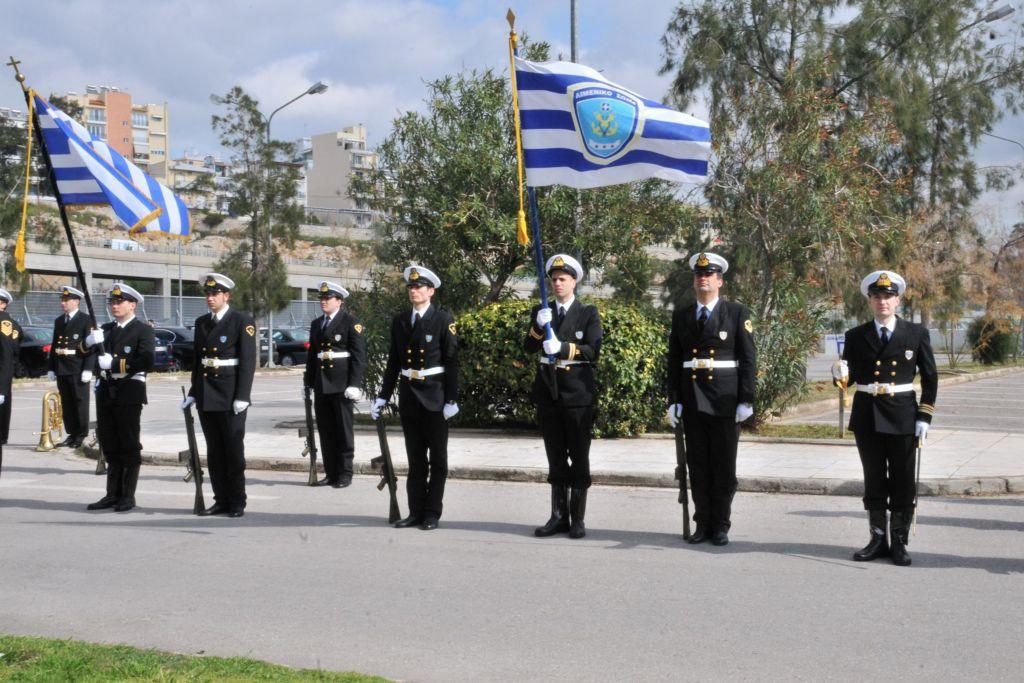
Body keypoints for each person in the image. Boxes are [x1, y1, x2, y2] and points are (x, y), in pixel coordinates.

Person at [835, 270, 937, 567]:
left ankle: (900, 542)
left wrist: (925, 415)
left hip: (903, 414)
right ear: (870, 300)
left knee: (903, 480)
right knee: (874, 478)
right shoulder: (856, 335)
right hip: (868, 414)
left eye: (888, 296)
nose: (883, 301)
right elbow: (849, 378)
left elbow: (931, 378)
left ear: (897, 300)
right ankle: (878, 538)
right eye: (877, 296)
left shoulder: (915, 333)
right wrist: (840, 377)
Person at [667, 252, 756, 546]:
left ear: (720, 281)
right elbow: (674, 360)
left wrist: (746, 399)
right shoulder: (682, 315)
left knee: (723, 466)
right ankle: (702, 523)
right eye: (698, 275)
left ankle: (721, 524)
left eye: (709, 275)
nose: (702, 279)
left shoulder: (736, 313)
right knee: (698, 466)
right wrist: (673, 399)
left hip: (724, 400)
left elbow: (748, 359)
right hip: (692, 400)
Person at [372, 265, 458, 530]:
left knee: (438, 461)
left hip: (434, 396)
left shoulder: (443, 320)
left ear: (431, 291)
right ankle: (415, 511)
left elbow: (452, 362)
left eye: (419, 286)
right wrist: (383, 396)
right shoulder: (400, 321)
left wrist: (451, 400)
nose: (414, 291)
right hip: (410, 396)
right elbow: (394, 362)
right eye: (410, 287)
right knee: (416, 459)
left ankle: (432, 513)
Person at [524, 254, 602, 539]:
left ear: (574, 282)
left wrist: (564, 347)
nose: (557, 284)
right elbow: (529, 348)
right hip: (549, 391)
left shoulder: (587, 313)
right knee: (555, 456)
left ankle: (577, 518)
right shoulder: (542, 310)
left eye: (563, 279)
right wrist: (536, 327)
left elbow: (593, 351)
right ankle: (558, 516)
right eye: (554, 279)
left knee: (579, 457)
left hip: (577, 394)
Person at [181, 273, 256, 518]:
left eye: (215, 294)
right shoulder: (202, 322)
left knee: (233, 451)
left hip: (230, 395)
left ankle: (237, 501)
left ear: (226, 295)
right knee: (214, 451)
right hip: (206, 395)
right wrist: (193, 392)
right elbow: (198, 362)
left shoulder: (241, 320)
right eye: (207, 294)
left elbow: (247, 361)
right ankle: (220, 499)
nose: (210, 298)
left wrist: (242, 395)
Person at [81, 283, 155, 512]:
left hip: (129, 390)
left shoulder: (143, 330)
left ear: (132, 305)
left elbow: (147, 361)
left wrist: (114, 363)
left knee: (128, 443)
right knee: (110, 443)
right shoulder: (106, 329)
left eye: (119, 302)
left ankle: (127, 496)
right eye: (112, 302)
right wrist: (88, 342)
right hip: (106, 390)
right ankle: (112, 494)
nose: (114, 305)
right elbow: (81, 352)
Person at [303, 281, 366, 488]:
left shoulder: (350, 322)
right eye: (321, 298)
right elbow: (313, 356)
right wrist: (308, 382)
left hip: (341, 385)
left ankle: (345, 473)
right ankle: (330, 472)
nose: (323, 301)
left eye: (327, 298)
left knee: (343, 431)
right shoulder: (316, 324)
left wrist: (354, 384)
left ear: (338, 301)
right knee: (327, 430)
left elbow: (358, 356)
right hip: (322, 385)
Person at [48, 286, 97, 448]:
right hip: (62, 366)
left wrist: (89, 368)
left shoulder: (86, 320)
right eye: (62, 300)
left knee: (79, 401)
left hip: (78, 365)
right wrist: (51, 367)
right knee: (67, 403)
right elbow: (55, 344)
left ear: (76, 301)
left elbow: (91, 347)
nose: (63, 303)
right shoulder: (59, 320)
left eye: (66, 300)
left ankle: (81, 434)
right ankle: (72, 433)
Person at [0, 289, 20, 445]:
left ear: (3, 303)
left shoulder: (4, 322)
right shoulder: (13, 323)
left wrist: (2, 388)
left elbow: (7, 356)